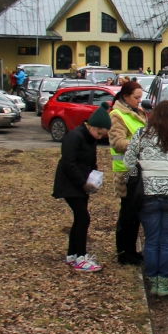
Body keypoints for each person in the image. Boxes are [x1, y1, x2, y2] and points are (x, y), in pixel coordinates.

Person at [124, 101, 168, 297]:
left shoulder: (141, 134)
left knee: (151, 238)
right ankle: (164, 283)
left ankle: (152, 281)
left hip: (147, 194)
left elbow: (128, 162)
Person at [53, 104, 112, 272]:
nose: (100, 137)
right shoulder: (75, 137)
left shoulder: (90, 139)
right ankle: (81, 258)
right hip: (70, 184)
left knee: (79, 219)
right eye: (99, 133)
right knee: (83, 218)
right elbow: (68, 164)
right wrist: (83, 183)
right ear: (91, 126)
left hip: (81, 185)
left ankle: (72, 255)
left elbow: (90, 162)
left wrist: (94, 177)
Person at [110, 79, 148, 265]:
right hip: (126, 172)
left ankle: (131, 250)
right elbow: (117, 143)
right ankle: (124, 253)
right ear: (125, 97)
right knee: (127, 214)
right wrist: (140, 144)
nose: (139, 101)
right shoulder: (117, 115)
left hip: (137, 170)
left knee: (134, 214)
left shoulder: (136, 112)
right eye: (136, 97)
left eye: (141, 97)